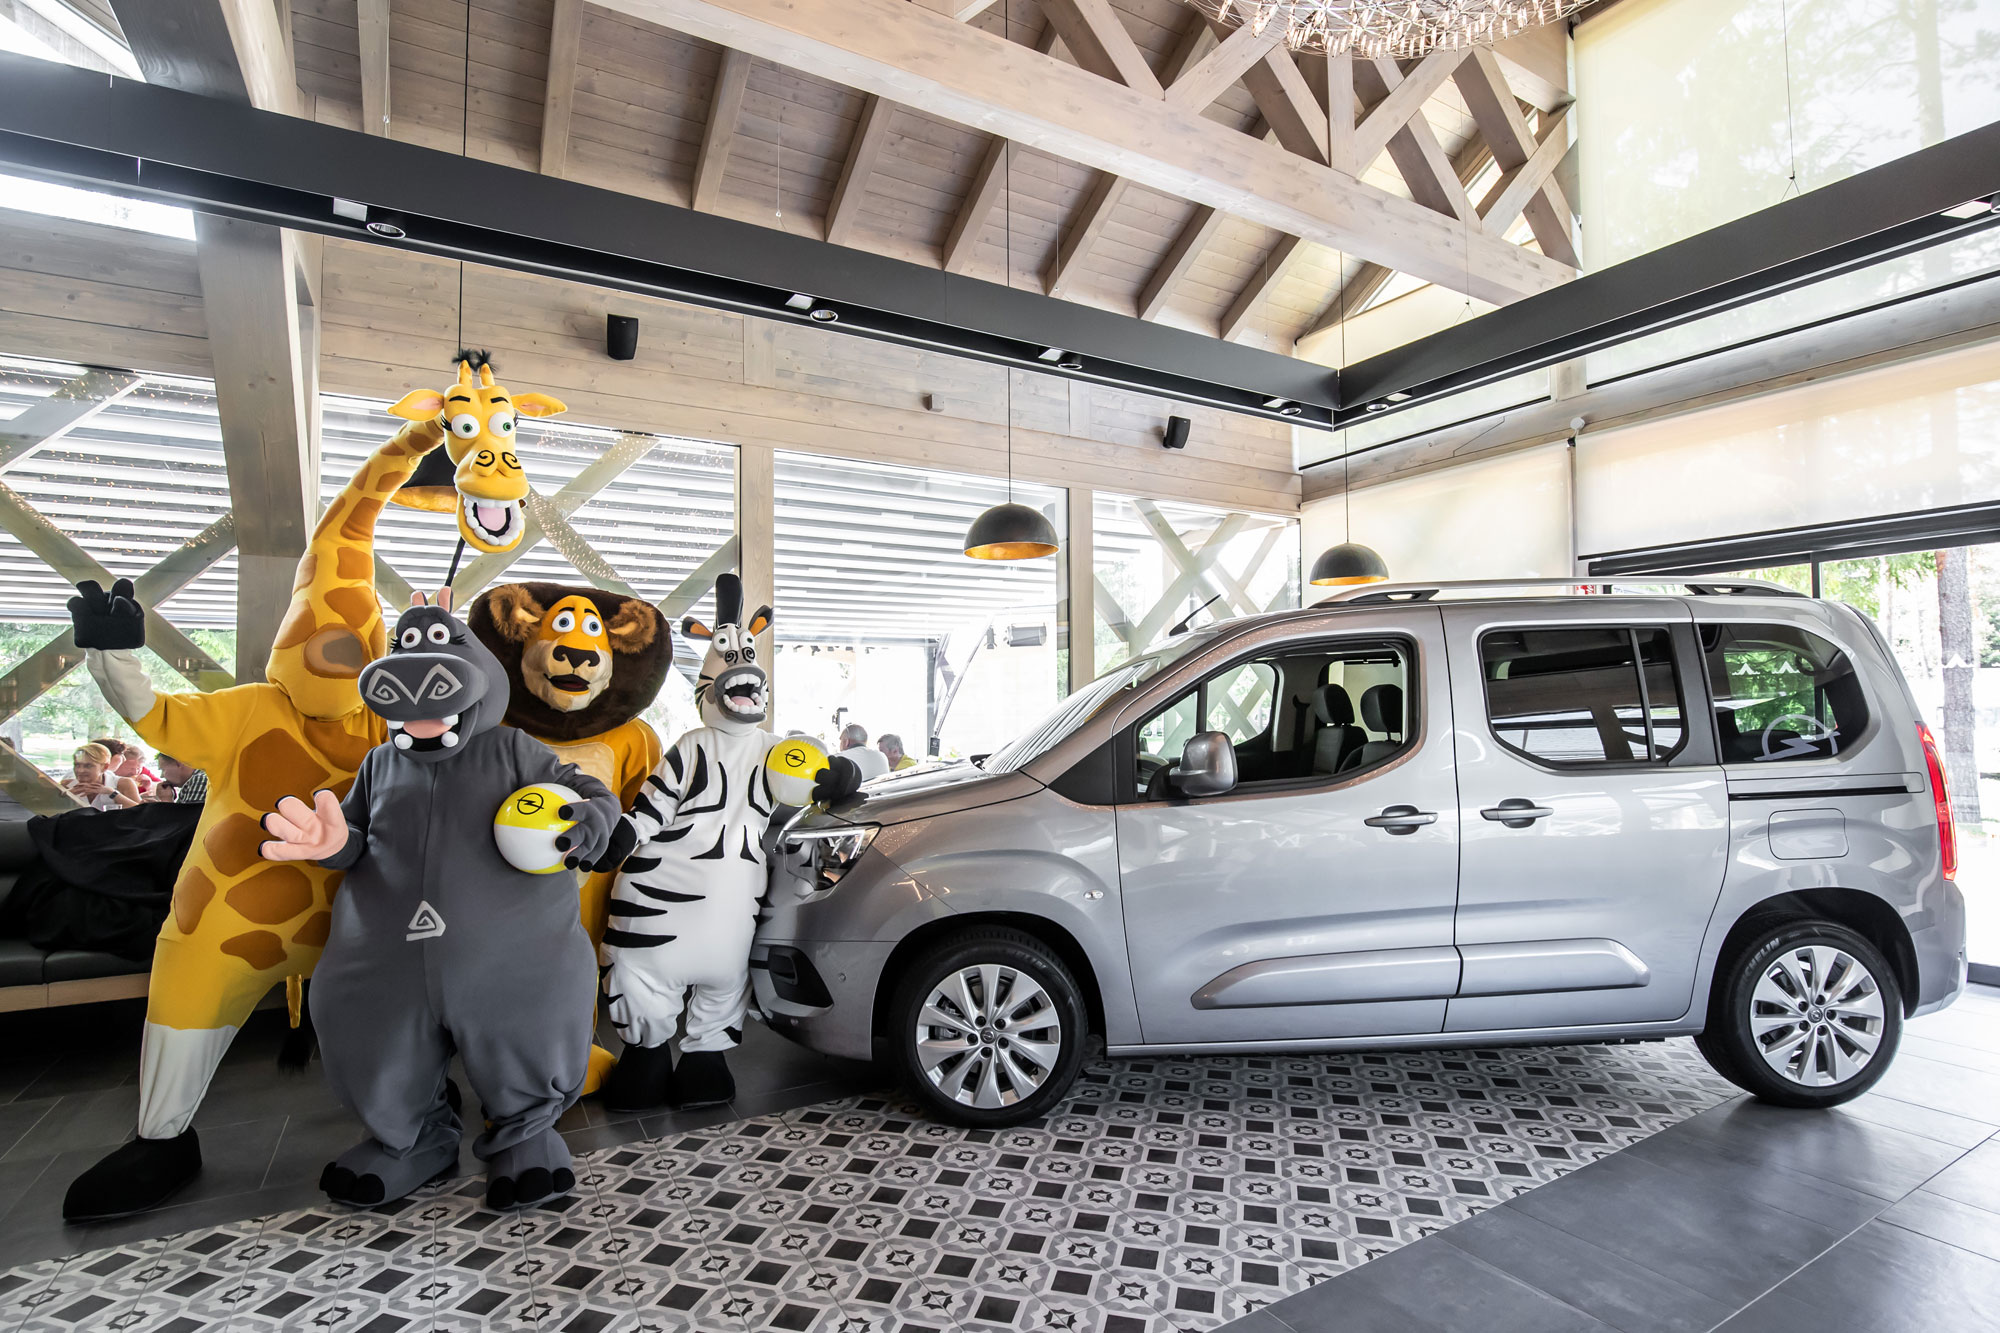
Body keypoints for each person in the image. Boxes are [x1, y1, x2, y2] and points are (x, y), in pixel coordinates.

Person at [63, 742, 141, 810]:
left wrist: (113, 793)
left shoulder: (124, 784)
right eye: (77, 765)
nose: (81, 770)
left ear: (104, 767)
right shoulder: (66, 785)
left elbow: (141, 812)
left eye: (88, 766)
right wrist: (65, 797)